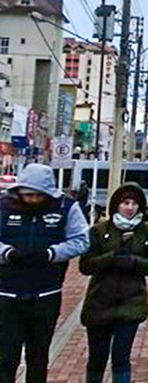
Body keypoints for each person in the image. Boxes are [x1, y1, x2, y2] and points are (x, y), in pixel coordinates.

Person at [0, 163, 90, 383]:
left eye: (36, 196)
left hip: (46, 295)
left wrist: (52, 254)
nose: (30, 200)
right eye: (26, 195)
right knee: (5, 358)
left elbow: (81, 240)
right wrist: (7, 253)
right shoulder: (3, 206)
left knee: (38, 358)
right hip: (7, 295)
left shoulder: (66, 208)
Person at [80, 183, 148, 383]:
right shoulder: (99, 231)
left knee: (121, 356)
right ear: (117, 204)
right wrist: (109, 258)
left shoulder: (147, 232)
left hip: (131, 302)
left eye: (134, 203)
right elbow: (86, 265)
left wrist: (135, 262)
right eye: (125, 202)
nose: (130, 207)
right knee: (97, 358)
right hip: (100, 301)